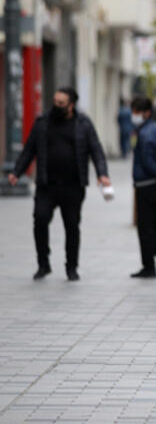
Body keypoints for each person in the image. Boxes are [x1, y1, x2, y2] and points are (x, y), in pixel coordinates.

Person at [9, 87, 110, 280]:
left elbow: (96, 150)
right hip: (47, 185)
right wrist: (17, 172)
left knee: (72, 226)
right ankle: (43, 264)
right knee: (40, 220)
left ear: (71, 105)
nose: (57, 106)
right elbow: (29, 149)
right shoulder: (42, 122)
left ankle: (71, 267)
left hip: (73, 186)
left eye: (61, 103)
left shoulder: (83, 124)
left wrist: (102, 174)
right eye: (55, 102)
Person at [129, 96, 156, 279]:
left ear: (146, 113)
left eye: (137, 112)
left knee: (147, 227)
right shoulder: (154, 129)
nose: (134, 116)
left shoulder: (146, 133)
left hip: (148, 185)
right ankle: (150, 265)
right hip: (152, 184)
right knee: (149, 226)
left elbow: (147, 160)